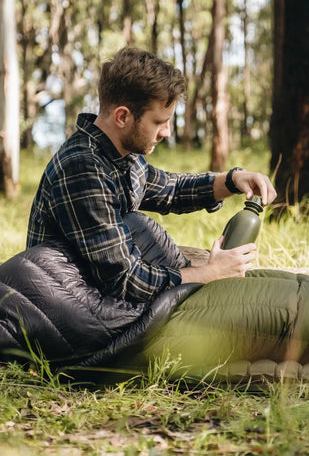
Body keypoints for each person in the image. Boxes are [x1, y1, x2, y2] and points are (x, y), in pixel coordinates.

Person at [26, 47, 277, 303]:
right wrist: (210, 273)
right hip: (73, 314)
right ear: (123, 116)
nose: (166, 132)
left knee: (270, 289)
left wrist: (233, 180)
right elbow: (126, 281)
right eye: (159, 122)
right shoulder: (83, 169)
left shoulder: (121, 155)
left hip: (106, 301)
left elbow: (173, 190)